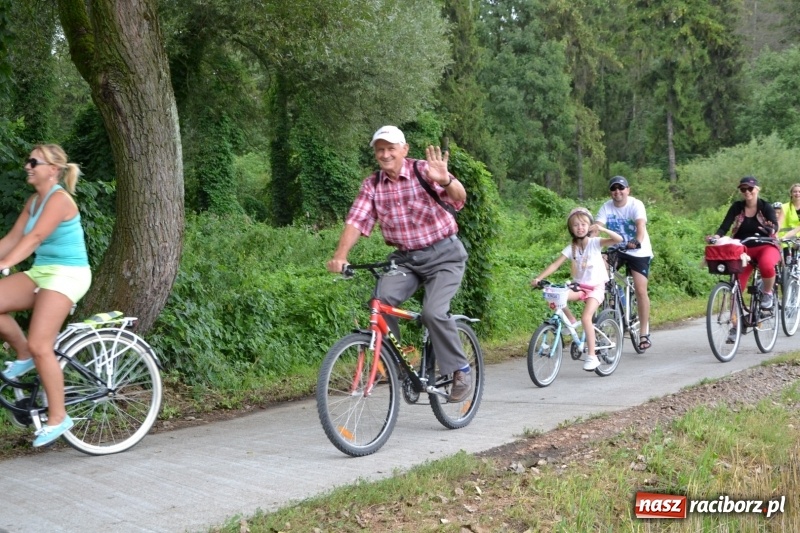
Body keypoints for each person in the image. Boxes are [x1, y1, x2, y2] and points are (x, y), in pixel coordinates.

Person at [326, 126, 472, 401]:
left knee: (433, 313)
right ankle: (400, 365)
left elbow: (459, 196)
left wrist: (446, 180)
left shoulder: (424, 171)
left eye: (391, 148)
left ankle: (460, 370)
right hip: (405, 259)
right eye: (380, 149)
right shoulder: (372, 185)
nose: (385, 154)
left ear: (404, 150)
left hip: (445, 255)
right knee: (380, 302)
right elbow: (356, 220)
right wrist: (340, 255)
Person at [0, 144, 92, 447]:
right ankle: (23, 354)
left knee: (43, 344)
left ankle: (58, 416)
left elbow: (35, 237)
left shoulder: (59, 200)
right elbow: (13, 239)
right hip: (43, 271)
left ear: (52, 169)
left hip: (69, 274)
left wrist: (6, 264)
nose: (27, 165)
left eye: (33, 161)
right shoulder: (34, 200)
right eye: (28, 161)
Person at [531, 208, 623, 371]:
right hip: (579, 286)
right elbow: (555, 264)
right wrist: (539, 278)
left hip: (596, 288)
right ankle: (571, 322)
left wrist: (601, 229)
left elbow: (618, 239)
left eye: (583, 224)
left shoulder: (595, 243)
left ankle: (593, 356)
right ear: (570, 228)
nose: (580, 227)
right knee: (556, 295)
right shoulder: (572, 247)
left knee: (587, 317)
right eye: (575, 225)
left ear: (589, 226)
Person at [709, 176, 780, 340]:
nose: (747, 192)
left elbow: (775, 225)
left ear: (757, 189)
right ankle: (735, 325)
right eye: (743, 189)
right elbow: (724, 226)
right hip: (743, 250)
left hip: (765, 245)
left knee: (767, 265)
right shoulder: (737, 207)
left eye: (750, 189)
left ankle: (767, 293)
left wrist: (771, 228)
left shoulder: (765, 206)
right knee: (736, 286)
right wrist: (716, 236)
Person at [595, 176, 654, 352]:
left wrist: (637, 240)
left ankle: (643, 333)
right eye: (614, 189)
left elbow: (640, 226)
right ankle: (614, 299)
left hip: (637, 250)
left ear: (628, 190)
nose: (617, 192)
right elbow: (597, 226)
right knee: (598, 274)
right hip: (616, 249)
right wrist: (588, 241)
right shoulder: (606, 207)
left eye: (621, 188)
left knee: (641, 289)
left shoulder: (636, 205)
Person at [776, 184, 800, 259]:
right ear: (791, 193)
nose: (797, 193)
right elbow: (779, 222)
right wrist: (775, 234)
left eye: (799, 191)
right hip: (786, 240)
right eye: (795, 192)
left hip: (795, 238)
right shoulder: (785, 207)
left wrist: (786, 236)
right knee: (787, 263)